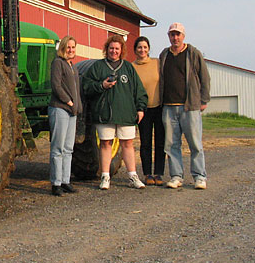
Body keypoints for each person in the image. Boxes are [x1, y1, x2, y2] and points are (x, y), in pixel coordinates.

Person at [83, 35, 148, 190]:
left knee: (127, 143)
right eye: (111, 48)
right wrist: (102, 85)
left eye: (117, 49)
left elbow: (139, 90)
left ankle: (132, 175)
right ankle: (105, 176)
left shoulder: (128, 68)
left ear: (121, 50)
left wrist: (140, 108)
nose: (114, 51)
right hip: (104, 113)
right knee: (105, 143)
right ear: (107, 49)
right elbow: (86, 86)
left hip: (125, 113)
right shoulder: (98, 67)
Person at [159, 22, 210, 190]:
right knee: (171, 145)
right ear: (169, 36)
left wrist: (203, 100)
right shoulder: (164, 55)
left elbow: (205, 77)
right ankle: (176, 176)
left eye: (178, 34)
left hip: (190, 107)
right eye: (172, 34)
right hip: (169, 107)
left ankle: (199, 176)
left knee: (195, 144)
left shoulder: (193, 53)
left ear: (183, 36)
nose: (175, 37)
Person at [49, 36, 83, 196]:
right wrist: (69, 102)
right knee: (58, 148)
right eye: (68, 47)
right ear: (62, 48)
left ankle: (65, 181)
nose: (71, 50)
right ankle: (55, 183)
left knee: (69, 148)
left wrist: (77, 106)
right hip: (61, 109)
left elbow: (76, 89)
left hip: (72, 112)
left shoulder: (73, 67)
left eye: (73, 47)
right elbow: (56, 85)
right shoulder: (58, 63)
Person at [132, 36, 166, 186]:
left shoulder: (157, 63)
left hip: (159, 108)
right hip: (143, 110)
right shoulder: (132, 67)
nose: (142, 50)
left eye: (145, 47)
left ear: (149, 49)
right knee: (145, 143)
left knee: (160, 142)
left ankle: (159, 173)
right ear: (135, 50)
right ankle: (147, 174)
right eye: (139, 47)